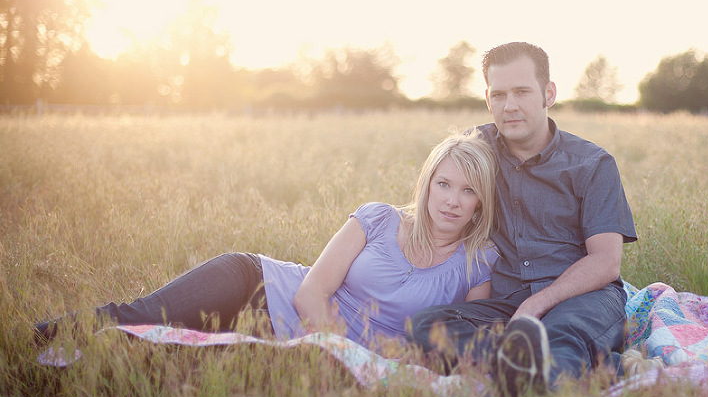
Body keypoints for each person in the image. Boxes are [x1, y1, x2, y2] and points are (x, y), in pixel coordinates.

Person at [34, 132, 499, 350]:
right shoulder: (378, 218)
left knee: (149, 350)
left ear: (481, 202)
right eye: (444, 184)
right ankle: (39, 337)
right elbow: (310, 291)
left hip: (291, 346)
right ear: (427, 183)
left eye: (468, 190)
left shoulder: (478, 263)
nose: (453, 201)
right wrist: (345, 354)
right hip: (255, 285)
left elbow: (466, 339)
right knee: (140, 318)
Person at [407, 42, 637, 397]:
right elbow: (437, 196)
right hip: (506, 300)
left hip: (582, 296)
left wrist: (536, 305)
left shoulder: (593, 164)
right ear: (487, 99)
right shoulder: (476, 149)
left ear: (549, 93)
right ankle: (531, 367)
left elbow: (606, 262)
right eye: (499, 94)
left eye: (522, 92)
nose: (509, 105)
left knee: (562, 337)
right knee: (426, 327)